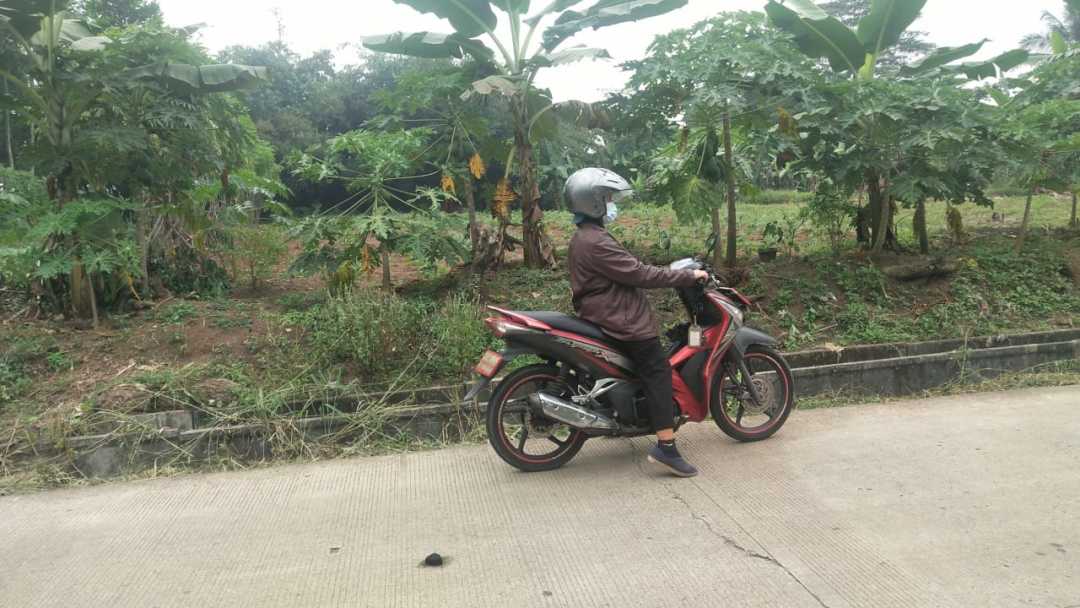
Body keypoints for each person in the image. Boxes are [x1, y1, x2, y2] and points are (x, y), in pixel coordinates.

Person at [564, 168, 708, 478]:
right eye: (608, 198)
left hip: (602, 312)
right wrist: (686, 276)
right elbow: (639, 273)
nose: (612, 204)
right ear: (593, 202)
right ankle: (666, 446)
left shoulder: (584, 237)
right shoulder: (596, 241)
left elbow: (628, 271)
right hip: (621, 319)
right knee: (658, 370)